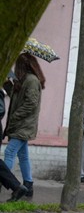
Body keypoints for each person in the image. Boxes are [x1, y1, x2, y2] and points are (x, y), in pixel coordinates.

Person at [3, 53, 45, 199]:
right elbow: (18, 98)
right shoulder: (25, 80)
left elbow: (31, 103)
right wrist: (9, 86)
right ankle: (28, 185)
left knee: (9, 152)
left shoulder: (32, 81)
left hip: (23, 125)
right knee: (23, 155)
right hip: (21, 125)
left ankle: (7, 181)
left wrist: (16, 116)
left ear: (22, 66)